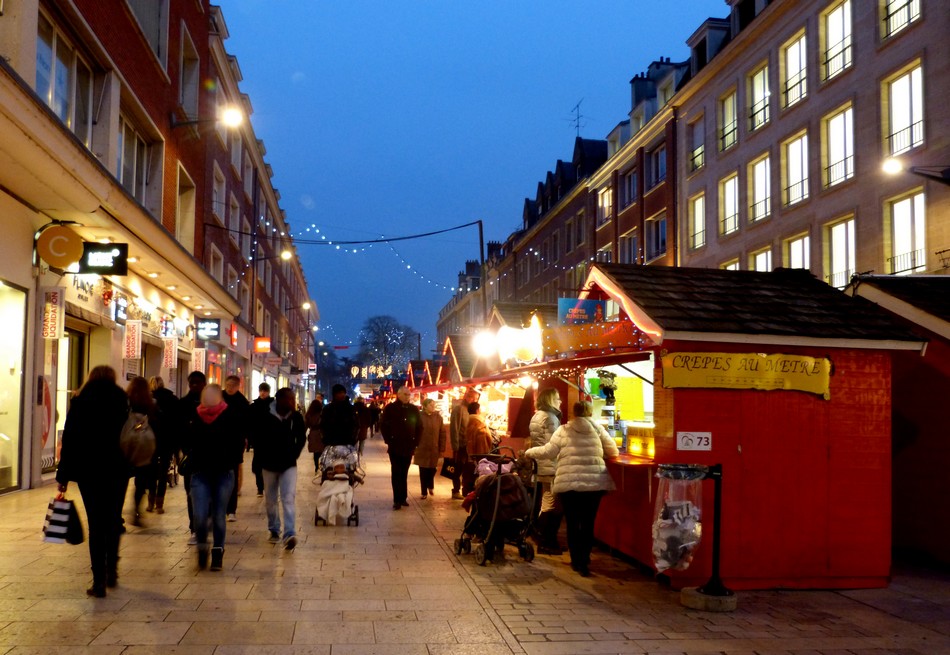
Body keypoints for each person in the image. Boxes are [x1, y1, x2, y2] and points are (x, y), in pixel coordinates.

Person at [55, 365, 129, 597]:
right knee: (113, 520)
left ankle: (98, 581)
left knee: (96, 524)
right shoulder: (121, 399)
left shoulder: (81, 399)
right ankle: (112, 571)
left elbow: (70, 438)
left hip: (89, 471)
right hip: (117, 469)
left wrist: (63, 476)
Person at [525, 401, 618, 577]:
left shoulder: (564, 430)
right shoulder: (597, 429)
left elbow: (548, 452)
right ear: (590, 413)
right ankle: (585, 559)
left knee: (573, 523)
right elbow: (613, 452)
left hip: (569, 485)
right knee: (588, 522)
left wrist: (530, 452)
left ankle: (577, 561)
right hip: (594, 483)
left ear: (574, 413)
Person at [182, 384, 244, 571]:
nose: (207, 404)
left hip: (223, 473)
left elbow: (238, 442)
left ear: (219, 399)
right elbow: (186, 440)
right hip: (200, 473)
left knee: (218, 515)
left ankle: (217, 552)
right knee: (199, 515)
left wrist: (230, 460)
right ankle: (202, 546)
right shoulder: (195, 415)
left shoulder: (230, 415)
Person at [256, 387, 307, 550]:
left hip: (288, 465)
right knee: (271, 500)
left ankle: (290, 533)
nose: (293, 402)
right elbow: (258, 437)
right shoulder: (265, 416)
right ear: (280, 400)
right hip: (269, 464)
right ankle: (274, 529)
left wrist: (295, 453)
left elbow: (301, 438)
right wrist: (263, 455)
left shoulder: (296, 417)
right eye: (290, 399)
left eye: (294, 399)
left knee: (288, 498)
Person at [529, 387, 564, 554]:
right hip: (550, 466)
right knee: (552, 505)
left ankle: (541, 536)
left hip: (540, 465)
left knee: (546, 503)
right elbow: (553, 445)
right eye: (557, 398)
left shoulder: (537, 415)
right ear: (551, 399)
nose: (560, 401)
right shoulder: (550, 418)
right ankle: (546, 541)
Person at [380, 386, 422, 510]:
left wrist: (416, 442)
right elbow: (384, 425)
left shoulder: (414, 409)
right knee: (396, 472)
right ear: (398, 395)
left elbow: (419, 427)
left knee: (404, 472)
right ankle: (397, 499)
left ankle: (403, 497)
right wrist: (389, 440)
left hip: (409, 446)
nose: (407, 397)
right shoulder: (391, 409)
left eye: (409, 395)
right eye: (405, 394)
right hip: (395, 446)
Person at [179, 371, 207, 544]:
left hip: (210, 455)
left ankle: (202, 522)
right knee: (191, 493)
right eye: (192, 383)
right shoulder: (184, 404)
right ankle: (195, 527)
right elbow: (178, 430)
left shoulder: (214, 403)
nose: (195, 386)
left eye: (198, 383)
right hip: (191, 456)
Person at [127, 376, 157, 527]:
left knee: (122, 481)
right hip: (144, 449)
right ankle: (138, 510)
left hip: (127, 446)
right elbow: (157, 427)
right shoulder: (150, 405)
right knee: (141, 483)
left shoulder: (126, 403)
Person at [148, 376, 178, 514]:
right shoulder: (172, 399)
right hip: (167, 441)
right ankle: (160, 504)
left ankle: (150, 503)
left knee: (151, 472)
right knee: (163, 472)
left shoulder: (147, 399)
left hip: (150, 441)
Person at [222, 375, 250, 522]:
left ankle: (231, 509)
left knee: (232, 475)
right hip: (219, 443)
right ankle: (220, 506)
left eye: (233, 385)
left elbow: (247, 424)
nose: (230, 388)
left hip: (235, 444)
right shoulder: (219, 397)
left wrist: (245, 439)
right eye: (228, 384)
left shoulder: (242, 402)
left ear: (238, 386)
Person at [449, 388, 478, 499]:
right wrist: (455, 445)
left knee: (466, 469)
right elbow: (454, 428)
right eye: (474, 398)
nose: (475, 400)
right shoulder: (459, 409)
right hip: (460, 445)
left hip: (467, 446)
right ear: (467, 397)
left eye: (476, 398)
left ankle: (464, 490)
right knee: (457, 468)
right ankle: (455, 490)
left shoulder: (469, 410)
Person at [414, 398, 446, 499]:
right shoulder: (419, 417)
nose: (433, 407)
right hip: (422, 448)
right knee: (423, 470)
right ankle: (424, 492)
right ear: (425, 406)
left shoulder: (438, 418)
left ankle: (430, 485)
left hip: (434, 448)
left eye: (434, 405)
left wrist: (442, 448)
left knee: (432, 469)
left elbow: (442, 433)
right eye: (431, 405)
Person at [463, 401, 493, 495]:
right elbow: (486, 437)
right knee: (477, 472)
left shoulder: (467, 421)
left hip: (468, 452)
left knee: (468, 472)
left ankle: (466, 491)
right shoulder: (480, 423)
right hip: (480, 451)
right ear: (477, 410)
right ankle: (475, 491)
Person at [249, 382, 274, 496]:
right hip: (258, 440)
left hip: (270, 441)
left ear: (268, 392)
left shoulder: (274, 405)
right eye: (261, 390)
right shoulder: (254, 406)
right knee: (258, 466)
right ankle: (260, 487)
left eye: (265, 390)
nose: (262, 393)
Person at [304, 396, 324, 474]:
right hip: (321, 434)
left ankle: (316, 467)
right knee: (322, 451)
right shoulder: (322, 414)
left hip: (313, 434)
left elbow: (305, 425)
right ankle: (321, 466)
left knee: (315, 452)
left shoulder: (309, 414)